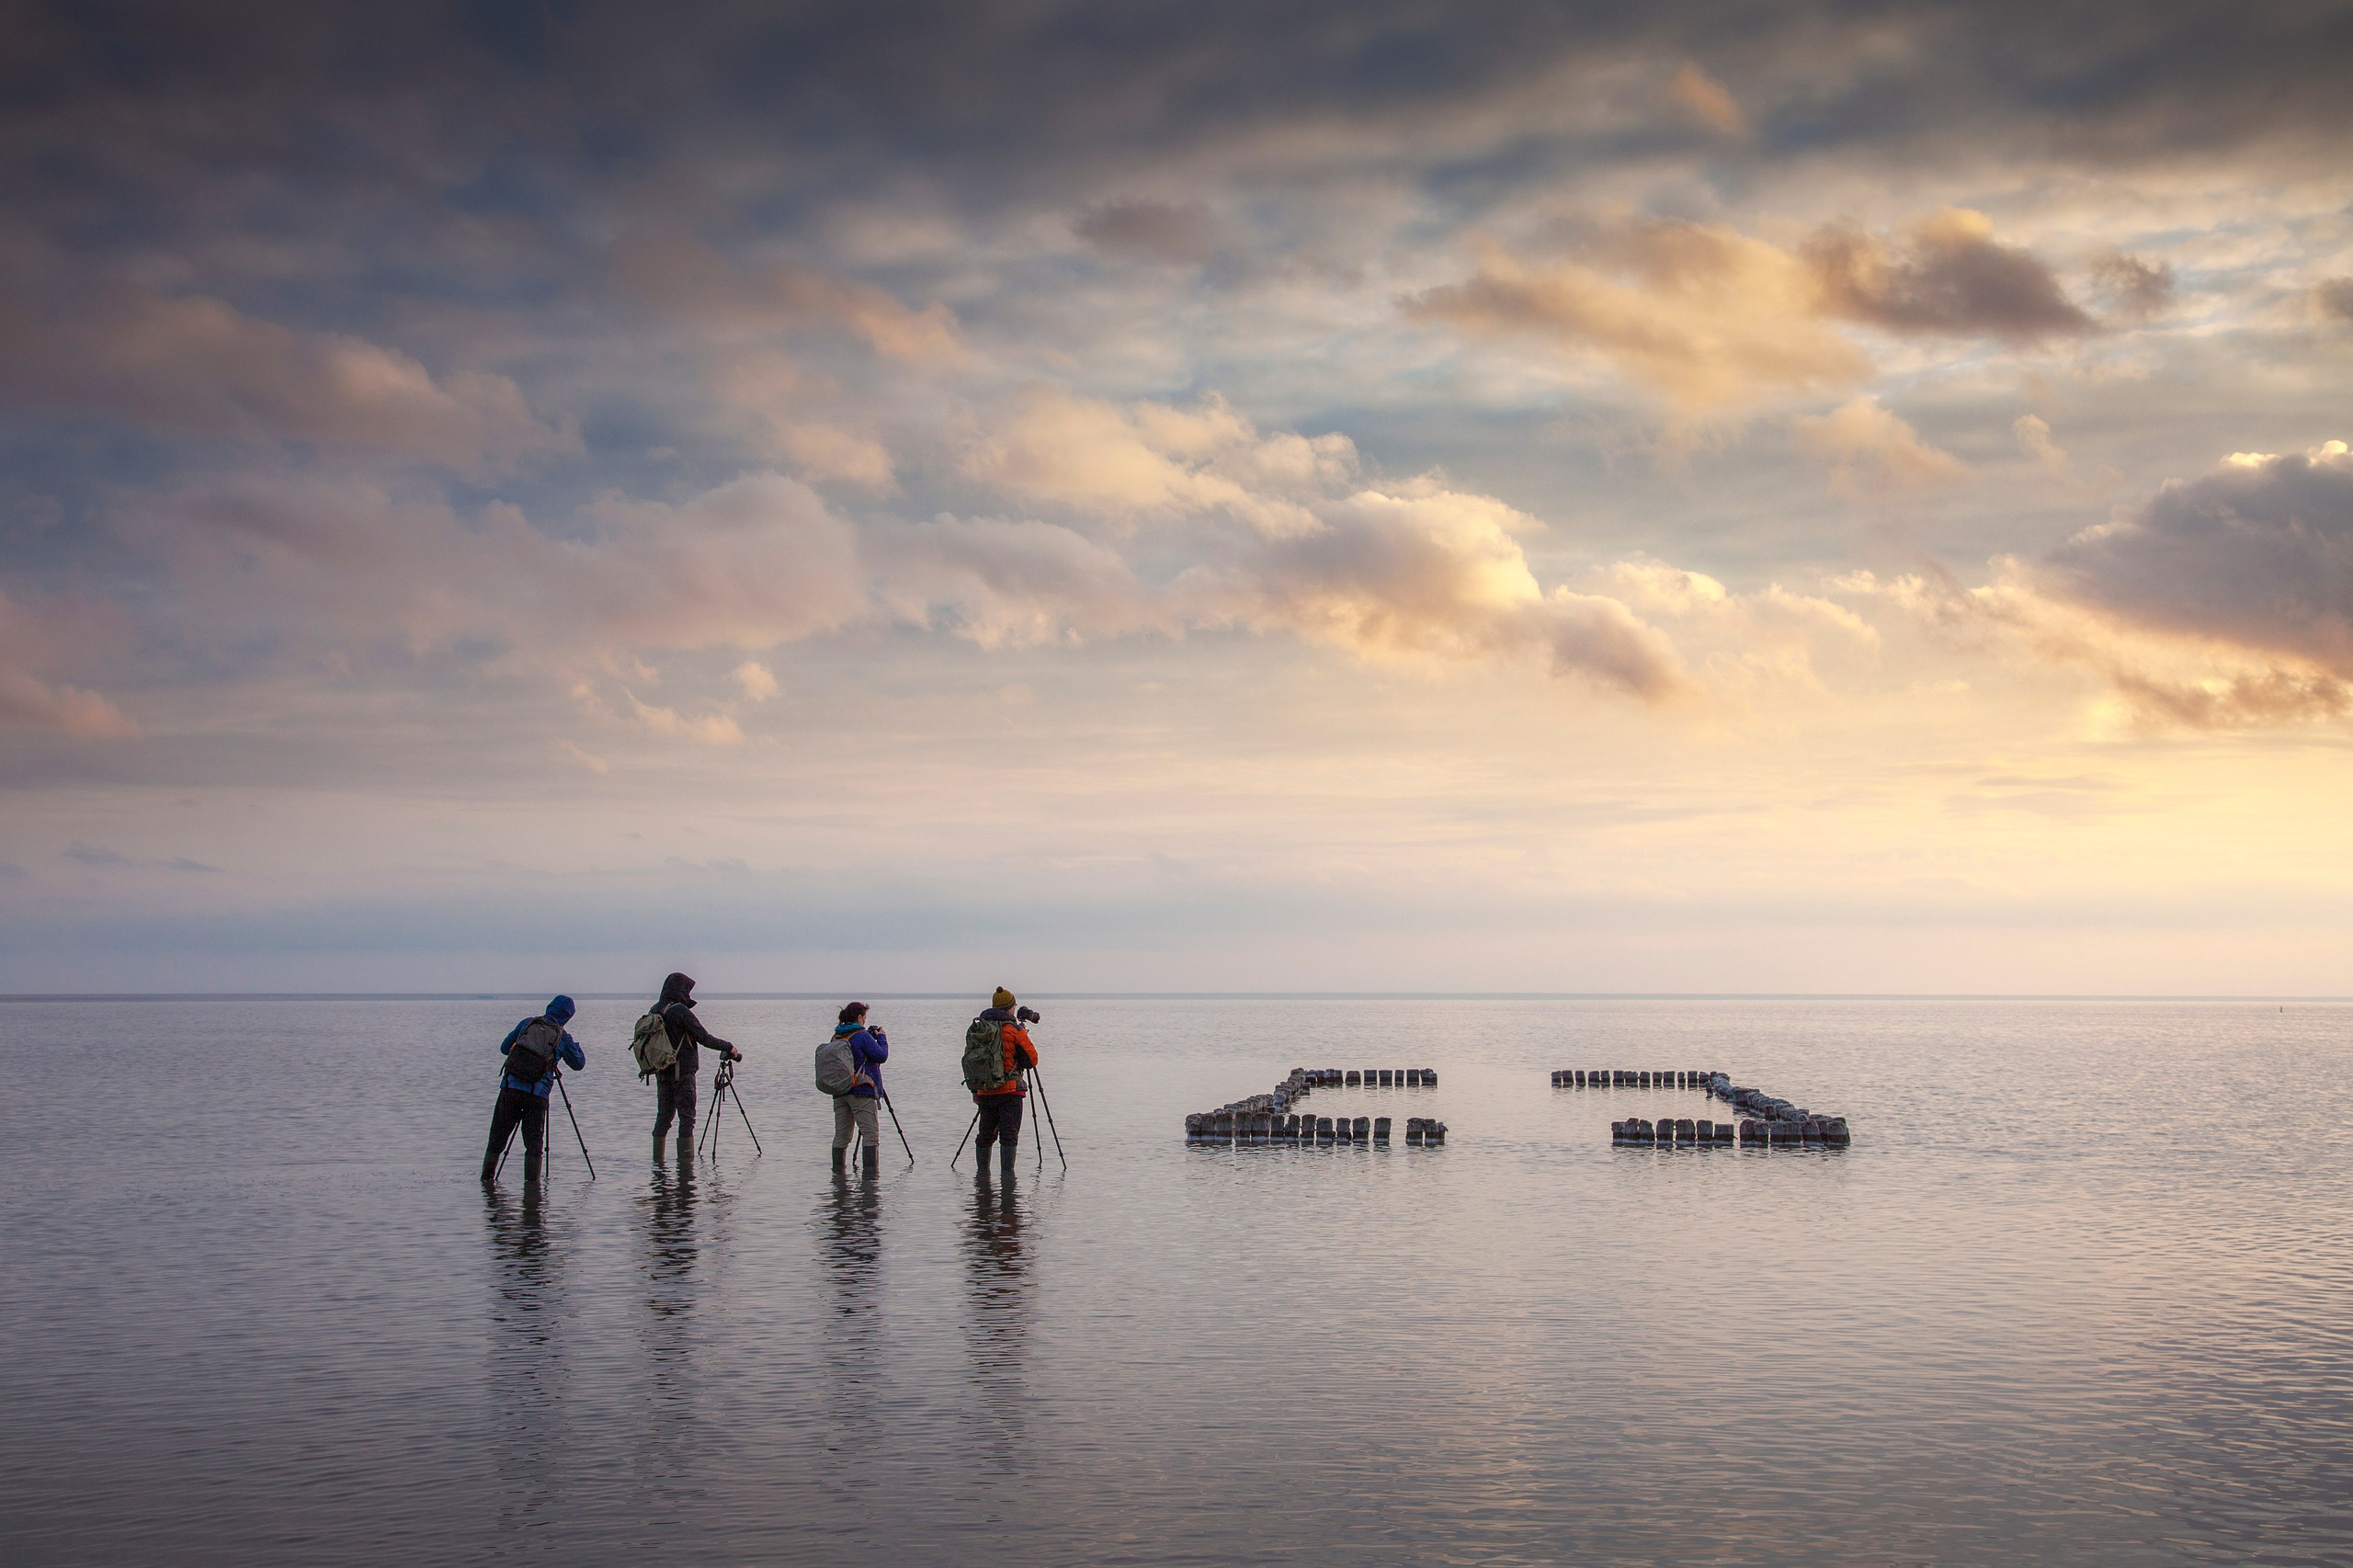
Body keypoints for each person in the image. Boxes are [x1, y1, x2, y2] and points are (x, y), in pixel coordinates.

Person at [481, 994, 586, 1183]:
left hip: (510, 1089)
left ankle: (487, 1185)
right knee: (534, 1146)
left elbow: (505, 1048)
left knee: (497, 1140)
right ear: (568, 1017)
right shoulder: (562, 1037)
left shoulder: (527, 1024)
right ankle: (532, 1194)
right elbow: (579, 1063)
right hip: (536, 1096)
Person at [650, 971, 741, 1162]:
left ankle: (657, 1168)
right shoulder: (680, 1011)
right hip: (683, 1074)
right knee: (687, 1119)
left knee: (663, 1119)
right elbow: (704, 1038)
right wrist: (729, 1047)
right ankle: (686, 1171)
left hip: (662, 1074)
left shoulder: (655, 1009)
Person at [970, 986, 1038, 1178]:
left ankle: (982, 1180)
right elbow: (1032, 1060)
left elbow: (974, 1061)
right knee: (1008, 1136)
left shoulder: (981, 1029)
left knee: (985, 1135)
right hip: (1010, 1092)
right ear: (1009, 1008)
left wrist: (975, 1089)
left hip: (985, 1090)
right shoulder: (1014, 1030)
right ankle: (1008, 1183)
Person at [828, 1003, 889, 1176]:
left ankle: (838, 1179)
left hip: (840, 1092)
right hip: (862, 1091)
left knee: (841, 1136)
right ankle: (870, 1183)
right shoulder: (862, 1036)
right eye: (864, 1018)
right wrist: (882, 1038)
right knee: (870, 1135)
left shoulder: (837, 1036)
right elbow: (881, 1056)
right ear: (860, 1018)